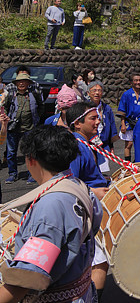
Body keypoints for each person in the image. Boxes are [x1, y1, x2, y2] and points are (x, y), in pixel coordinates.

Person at [0, 125, 102, 303]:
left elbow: (27, 277)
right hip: (82, 289)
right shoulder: (79, 186)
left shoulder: (50, 206)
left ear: (31, 160)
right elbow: (94, 224)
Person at [64, 102, 111, 299]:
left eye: (98, 117)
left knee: (98, 261)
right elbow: (68, 182)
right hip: (86, 210)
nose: (98, 122)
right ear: (77, 123)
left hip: (91, 207)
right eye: (93, 118)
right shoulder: (76, 146)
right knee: (99, 261)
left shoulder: (84, 144)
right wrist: (95, 191)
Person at [3, 71, 41, 184]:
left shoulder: (34, 94)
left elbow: (41, 106)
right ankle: (12, 174)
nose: (21, 84)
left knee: (30, 152)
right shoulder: (11, 95)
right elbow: (5, 107)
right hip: (13, 128)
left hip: (29, 127)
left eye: (24, 81)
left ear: (28, 83)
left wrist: (37, 119)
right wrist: (5, 117)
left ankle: (32, 174)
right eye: (19, 81)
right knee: (11, 153)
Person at [117, 73, 140, 162]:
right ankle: (128, 164)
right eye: (136, 80)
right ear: (131, 82)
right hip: (129, 122)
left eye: (139, 80)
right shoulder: (127, 94)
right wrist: (123, 124)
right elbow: (122, 110)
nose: (138, 82)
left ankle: (139, 162)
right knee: (129, 144)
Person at [86, 81, 118, 157]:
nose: (97, 93)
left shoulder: (107, 109)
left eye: (99, 90)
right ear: (88, 93)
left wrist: (111, 146)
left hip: (104, 145)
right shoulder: (84, 108)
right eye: (94, 90)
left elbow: (112, 127)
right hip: (88, 145)